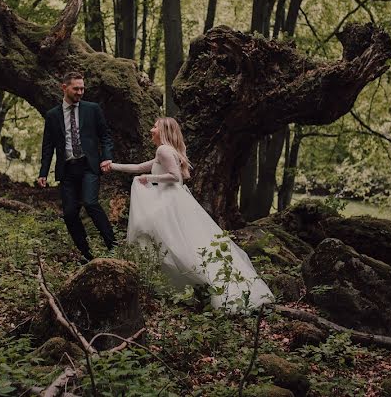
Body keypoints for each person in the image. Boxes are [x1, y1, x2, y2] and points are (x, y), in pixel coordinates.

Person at [109, 117, 273, 311]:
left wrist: (148, 178)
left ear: (163, 131)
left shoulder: (163, 150)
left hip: (169, 202)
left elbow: (175, 177)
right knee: (178, 242)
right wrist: (112, 166)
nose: (151, 130)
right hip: (173, 201)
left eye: (155, 127)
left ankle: (200, 284)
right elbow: (138, 167)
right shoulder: (166, 151)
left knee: (171, 242)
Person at [38, 72, 116, 263]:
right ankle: (87, 254)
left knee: (90, 203)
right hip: (67, 169)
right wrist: (43, 173)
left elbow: (105, 136)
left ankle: (114, 246)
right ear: (64, 88)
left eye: (82, 88)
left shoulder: (92, 109)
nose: (80, 92)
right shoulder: (53, 115)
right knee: (70, 213)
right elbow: (48, 146)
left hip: (89, 166)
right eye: (76, 88)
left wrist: (107, 158)